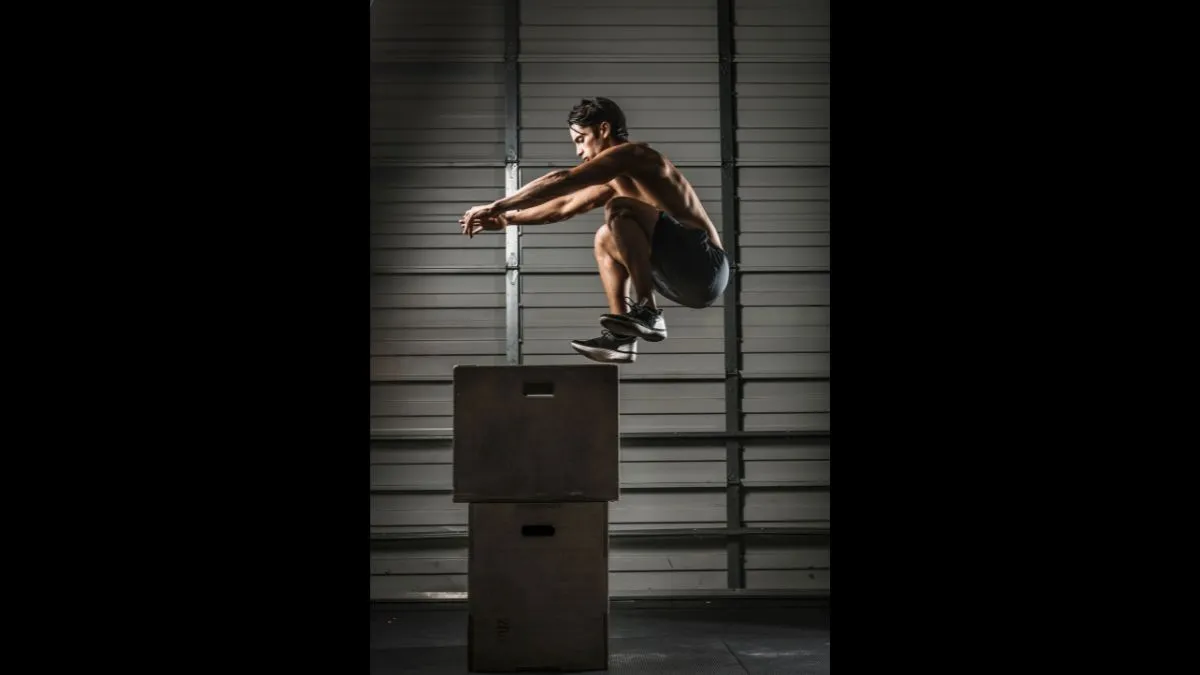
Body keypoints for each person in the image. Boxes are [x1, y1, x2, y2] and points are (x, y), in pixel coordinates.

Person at [459, 97, 729, 364]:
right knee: (604, 237)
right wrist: (508, 219)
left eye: (580, 139)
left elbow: (564, 179)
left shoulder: (637, 155)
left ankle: (648, 311)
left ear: (603, 129)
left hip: (706, 263)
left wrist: (496, 205)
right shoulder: (616, 180)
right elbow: (563, 207)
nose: (578, 151)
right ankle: (621, 341)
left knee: (618, 208)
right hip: (680, 278)